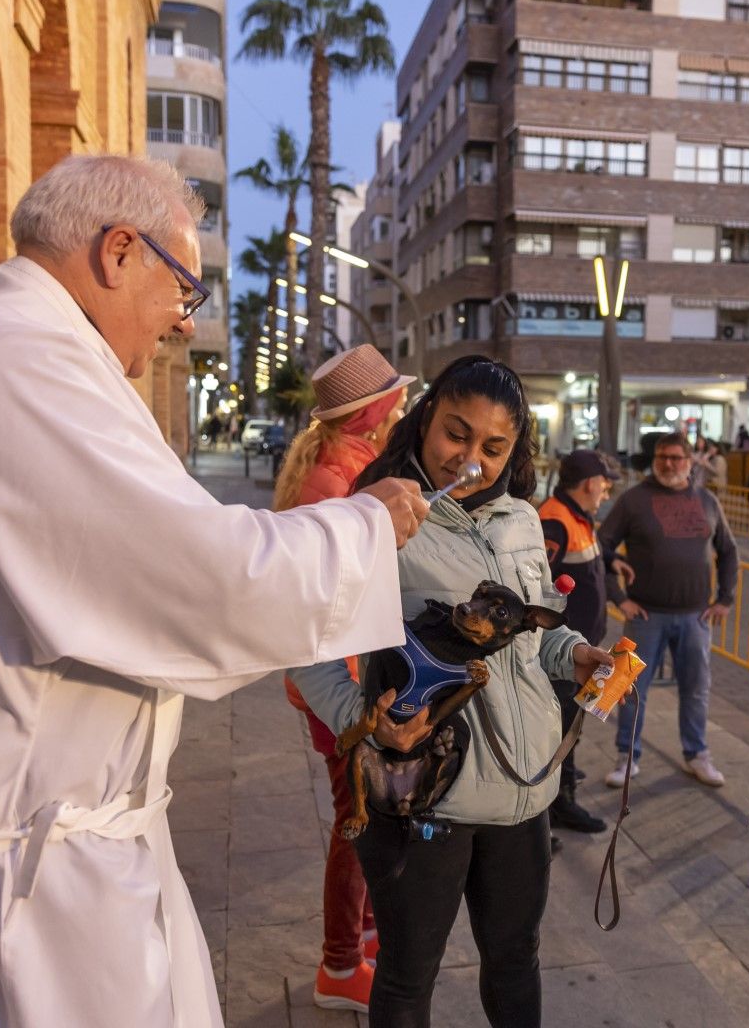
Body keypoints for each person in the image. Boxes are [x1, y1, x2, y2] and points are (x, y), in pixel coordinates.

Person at [0, 155, 429, 1028]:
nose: (179, 328)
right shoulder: (20, 363)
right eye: (185, 296)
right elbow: (196, 578)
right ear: (119, 251)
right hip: (10, 906)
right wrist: (367, 527)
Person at [289, 355, 613, 1028]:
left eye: (494, 447)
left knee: (516, 957)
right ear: (424, 421)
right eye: (455, 435)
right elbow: (306, 651)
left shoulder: (521, 520)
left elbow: (534, 634)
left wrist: (576, 654)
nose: (471, 459)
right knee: (408, 978)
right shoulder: (378, 515)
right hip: (428, 799)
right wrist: (363, 721)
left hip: (527, 793)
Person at [271, 344, 414, 1012]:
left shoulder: (348, 469)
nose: (407, 406)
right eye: (398, 399)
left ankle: (362, 930)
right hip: (344, 688)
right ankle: (337, 965)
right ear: (378, 412)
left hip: (352, 680)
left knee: (364, 814)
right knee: (356, 822)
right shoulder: (340, 485)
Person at [599, 433, 738, 789]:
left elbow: (729, 550)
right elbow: (601, 549)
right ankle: (626, 758)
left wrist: (725, 598)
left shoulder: (707, 501)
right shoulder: (633, 500)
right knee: (627, 687)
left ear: (690, 461)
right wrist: (619, 598)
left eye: (677, 457)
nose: (669, 464)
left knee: (696, 689)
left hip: (695, 617)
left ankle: (697, 754)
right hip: (644, 615)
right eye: (662, 457)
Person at [537, 449, 633, 835]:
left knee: (574, 722)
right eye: (605, 486)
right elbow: (540, 584)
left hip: (582, 648)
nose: (606, 493)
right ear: (591, 483)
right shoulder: (554, 521)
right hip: (562, 653)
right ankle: (555, 808)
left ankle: (564, 788)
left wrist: (611, 561)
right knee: (560, 728)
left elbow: (593, 550)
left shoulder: (577, 515)